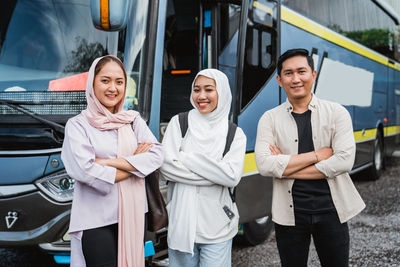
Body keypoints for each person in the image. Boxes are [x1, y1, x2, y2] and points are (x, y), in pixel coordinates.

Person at [254, 48, 366, 267]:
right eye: (288, 73)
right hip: (290, 213)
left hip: (332, 210)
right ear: (279, 80)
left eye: (301, 71)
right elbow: (265, 165)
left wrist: (285, 167)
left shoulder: (337, 113)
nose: (295, 79)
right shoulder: (269, 119)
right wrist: (318, 155)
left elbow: (344, 161)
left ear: (313, 75)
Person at [61, 55, 163, 267]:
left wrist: (107, 163)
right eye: (105, 80)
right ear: (92, 82)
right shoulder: (78, 125)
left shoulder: (133, 120)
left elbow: (157, 156)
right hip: (95, 218)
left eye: (119, 82)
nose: (113, 88)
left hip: (134, 214)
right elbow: (85, 171)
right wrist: (136, 163)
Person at [160, 69, 246, 267]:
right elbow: (166, 167)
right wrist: (214, 173)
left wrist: (184, 157)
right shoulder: (179, 123)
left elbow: (231, 176)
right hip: (181, 224)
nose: (201, 96)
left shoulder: (235, 134)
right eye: (196, 90)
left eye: (209, 89)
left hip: (218, 227)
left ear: (222, 93)